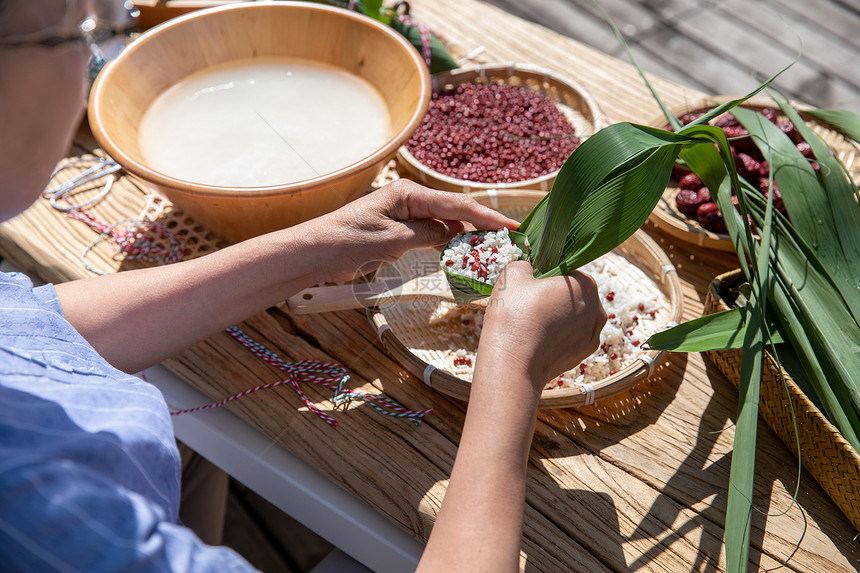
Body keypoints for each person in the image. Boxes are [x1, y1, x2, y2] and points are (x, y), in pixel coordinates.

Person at [0, 1, 605, 572]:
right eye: (87, 28)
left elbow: (30, 331)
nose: (90, 60)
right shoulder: (42, 505)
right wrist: (514, 369)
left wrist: (318, 245)